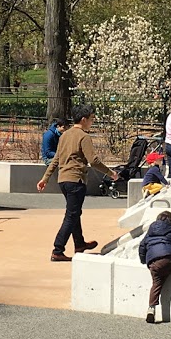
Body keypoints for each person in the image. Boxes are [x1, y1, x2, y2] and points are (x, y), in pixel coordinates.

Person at [36, 105, 116, 262]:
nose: (92, 122)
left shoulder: (65, 135)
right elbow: (93, 160)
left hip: (63, 180)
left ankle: (79, 244)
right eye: (92, 119)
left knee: (74, 213)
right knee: (71, 215)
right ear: (84, 119)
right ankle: (57, 250)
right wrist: (111, 173)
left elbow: (56, 160)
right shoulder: (83, 137)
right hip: (76, 180)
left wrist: (45, 178)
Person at [138, 209, 171, 324]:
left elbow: (142, 246)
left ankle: (151, 308)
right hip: (168, 258)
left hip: (153, 263)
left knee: (156, 284)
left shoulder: (150, 231)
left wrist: (144, 260)